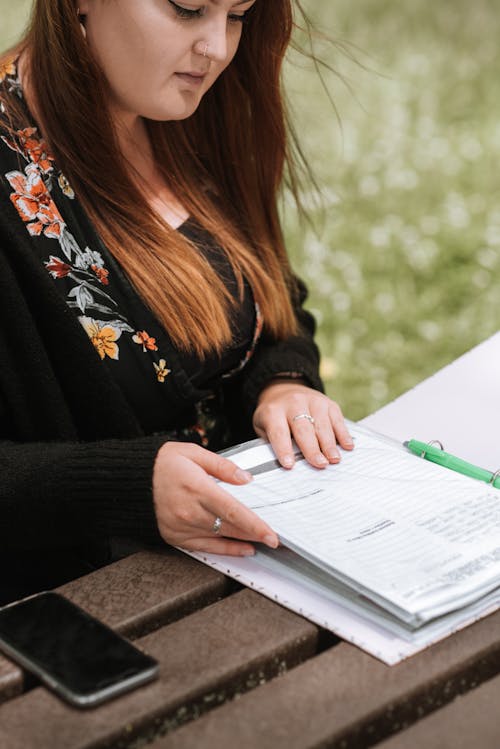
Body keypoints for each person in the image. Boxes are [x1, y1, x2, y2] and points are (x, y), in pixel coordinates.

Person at [0, 0, 353, 604]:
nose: (216, 47)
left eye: (238, 15)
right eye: (187, 8)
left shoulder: (186, 109)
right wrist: (128, 487)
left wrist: (283, 382)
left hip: (256, 562)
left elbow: (268, 303)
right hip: (89, 614)